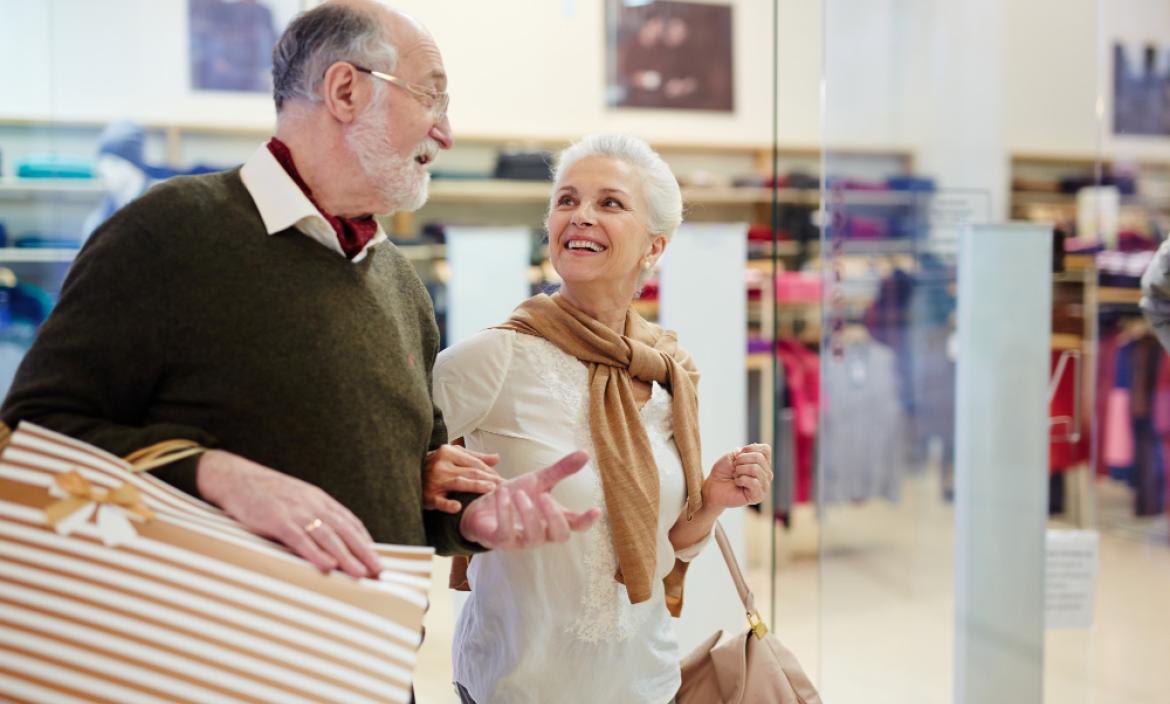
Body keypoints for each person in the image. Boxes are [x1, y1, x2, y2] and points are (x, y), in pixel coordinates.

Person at [1, 0, 599, 581]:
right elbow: (28, 434)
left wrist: (470, 519)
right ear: (345, 91)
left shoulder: (399, 284)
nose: (445, 130)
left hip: (371, 664)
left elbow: (406, 485)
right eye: (430, 95)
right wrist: (215, 473)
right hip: (215, 664)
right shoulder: (170, 230)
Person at [433, 134, 774, 704]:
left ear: (654, 246)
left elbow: (669, 547)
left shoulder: (670, 370)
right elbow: (386, 462)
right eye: (567, 201)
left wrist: (712, 501)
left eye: (609, 203)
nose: (580, 216)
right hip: (520, 687)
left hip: (644, 682)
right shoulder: (498, 357)